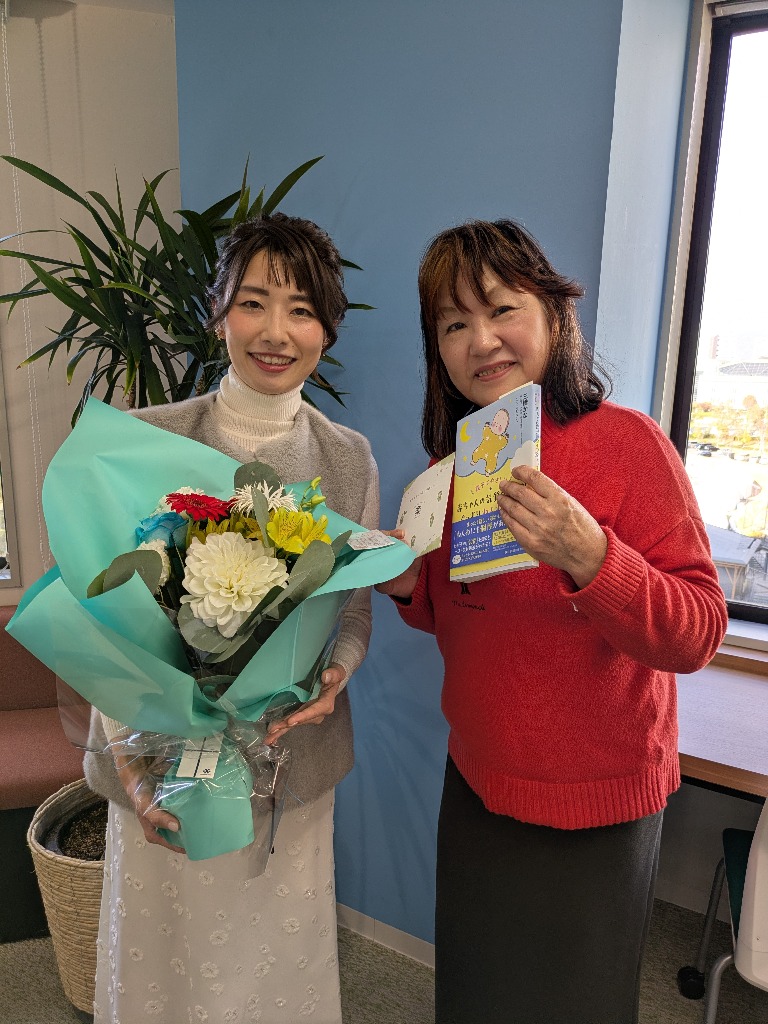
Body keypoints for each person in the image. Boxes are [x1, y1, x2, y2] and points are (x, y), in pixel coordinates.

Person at [377, 219, 728, 1024]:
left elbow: (698, 631)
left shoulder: (628, 444)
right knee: (475, 997)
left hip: (596, 805)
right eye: (453, 325)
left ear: (553, 314)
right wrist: (406, 587)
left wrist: (592, 557)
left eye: (501, 309)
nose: (481, 341)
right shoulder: (452, 468)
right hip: (476, 786)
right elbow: (470, 619)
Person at [84, 213, 379, 1024]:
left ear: (327, 331)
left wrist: (336, 675)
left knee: (273, 974)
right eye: (253, 303)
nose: (275, 332)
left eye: (301, 310)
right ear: (218, 314)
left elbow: (354, 611)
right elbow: (108, 629)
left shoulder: (348, 459)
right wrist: (136, 776)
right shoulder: (147, 441)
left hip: (292, 769)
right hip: (163, 770)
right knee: (167, 973)